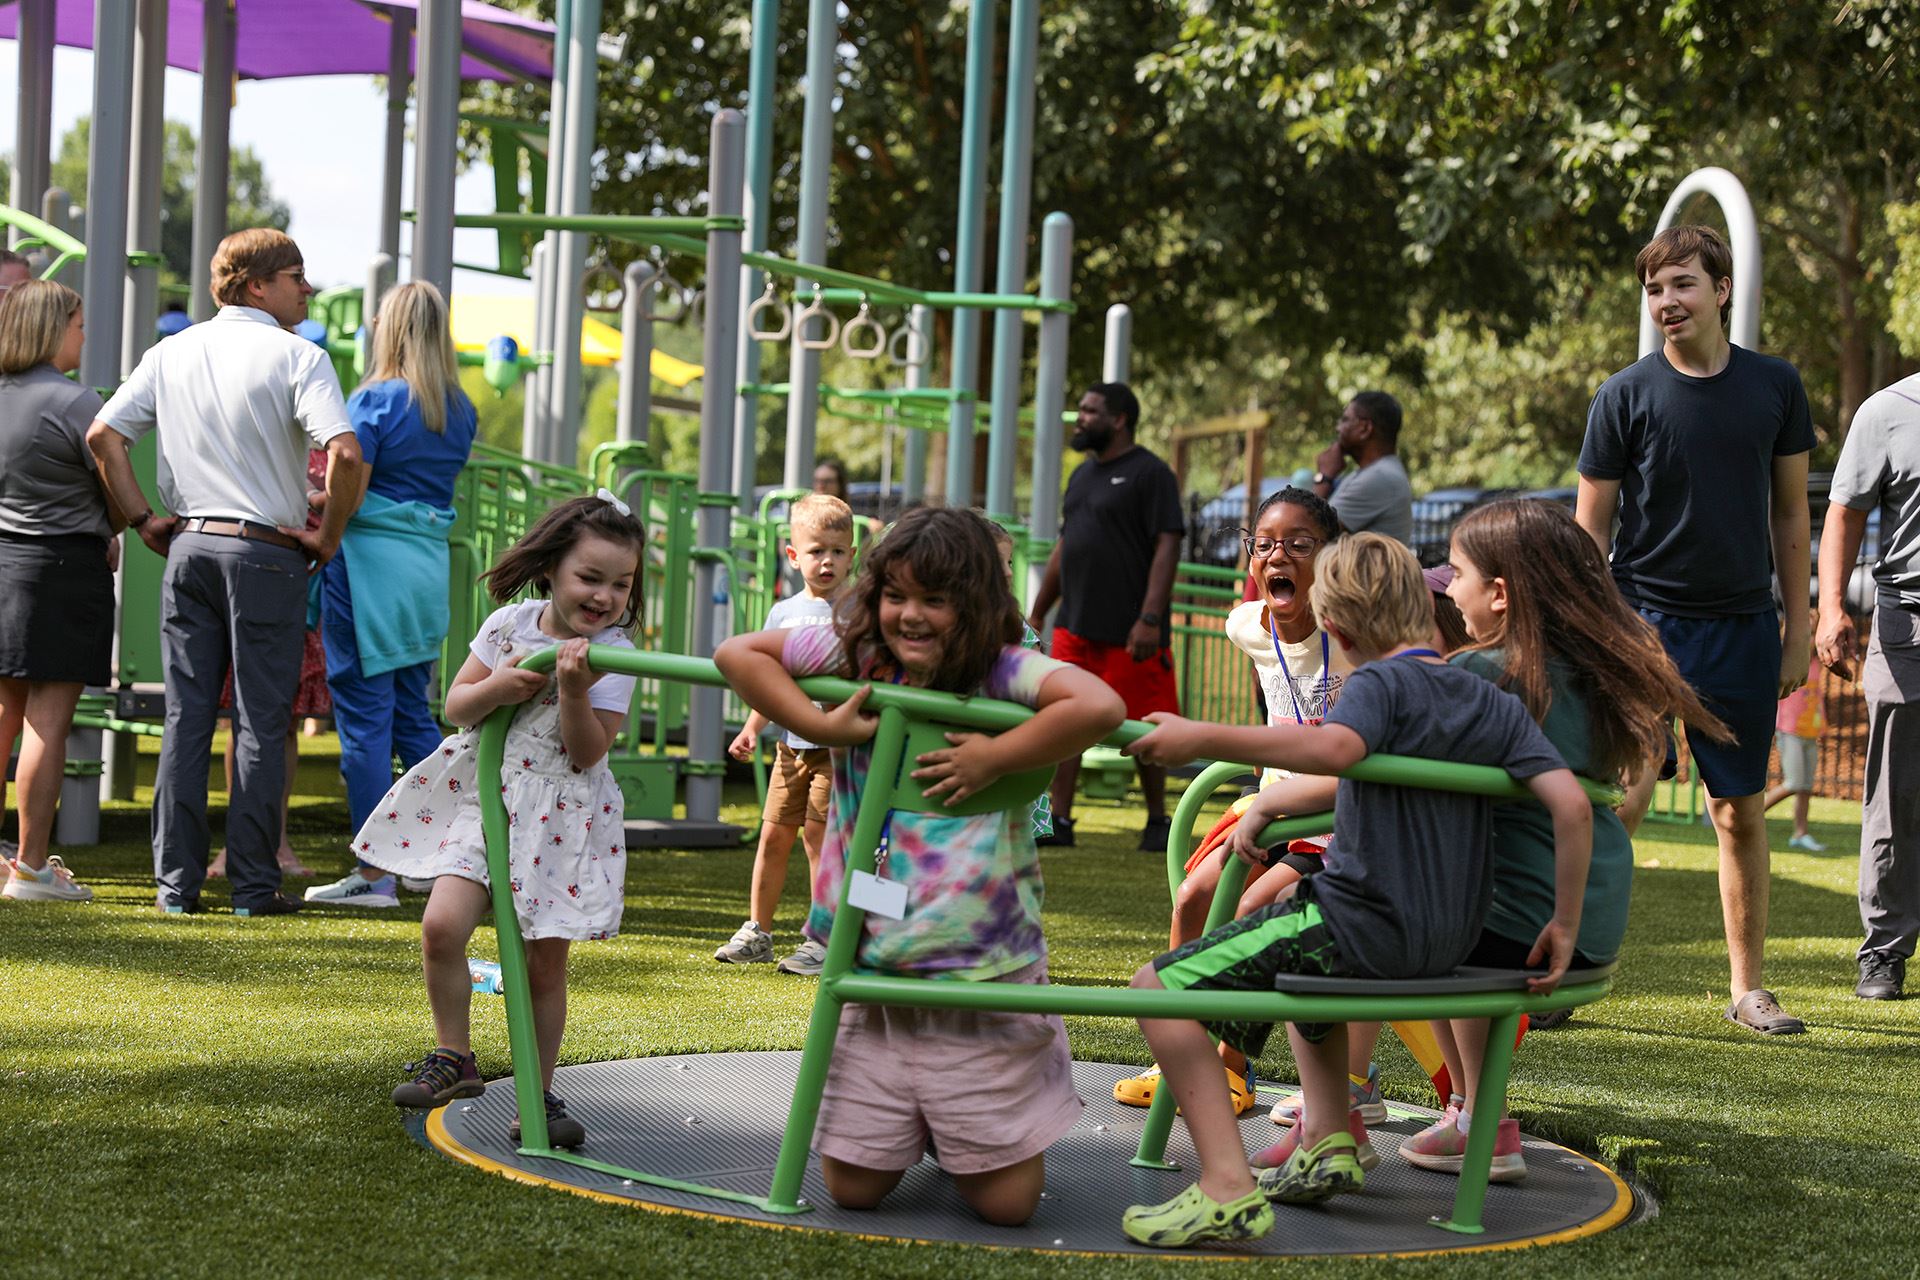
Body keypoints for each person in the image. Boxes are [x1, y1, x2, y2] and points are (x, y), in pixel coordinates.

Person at [1117, 534, 1588, 1247]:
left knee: (1156, 987)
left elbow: (1337, 750)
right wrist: (1564, 922)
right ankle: (1328, 1140)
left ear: (1331, 625)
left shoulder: (1374, 687)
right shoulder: (1485, 696)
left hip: (1359, 927)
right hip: (1447, 941)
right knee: (1306, 974)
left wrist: (1200, 737)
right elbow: (1573, 806)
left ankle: (1224, 1186)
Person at [714, 507, 1125, 1226]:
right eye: (897, 595)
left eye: (936, 600)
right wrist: (817, 725)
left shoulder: (1002, 669)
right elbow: (737, 654)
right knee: (853, 1189)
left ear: (975, 606)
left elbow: (1102, 703)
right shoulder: (857, 655)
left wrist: (994, 755)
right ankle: (921, 1120)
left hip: (981, 973)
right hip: (872, 961)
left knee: (1006, 1206)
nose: (912, 616)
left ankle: (958, 1126)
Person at [1390, 500, 1728, 1183]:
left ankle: (1360, 1111)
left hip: (1526, 930)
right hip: (1590, 921)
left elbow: (1376, 753)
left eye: (1456, 574)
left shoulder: (1485, 676)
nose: (1448, 590)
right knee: (1451, 922)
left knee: (1369, 925)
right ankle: (1469, 1112)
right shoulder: (1604, 676)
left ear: (1501, 594)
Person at [1575, 223, 1815, 1035]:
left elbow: (1791, 514)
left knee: (1737, 811)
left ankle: (1748, 990)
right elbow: (1587, 533)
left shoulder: (1776, 387)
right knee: (1623, 798)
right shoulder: (1623, 395)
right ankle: (1560, 970)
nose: (1666, 301)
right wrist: (1592, 632)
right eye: (1654, 288)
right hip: (1640, 625)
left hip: (1744, 628)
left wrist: (1797, 628)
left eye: (1681, 284)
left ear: (1720, 290)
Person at [87, 229, 363, 917]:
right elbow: (348, 457)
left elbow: (104, 436)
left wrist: (141, 517)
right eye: (297, 275)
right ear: (257, 285)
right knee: (261, 724)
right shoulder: (301, 356)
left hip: (188, 548)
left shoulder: (170, 351)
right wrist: (326, 538)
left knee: (185, 720)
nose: (307, 288)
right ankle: (251, 886)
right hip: (267, 552)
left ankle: (174, 887)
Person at [372, 495, 644, 1147]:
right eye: (591, 577)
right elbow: (458, 705)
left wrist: (574, 690)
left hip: (558, 813)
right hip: (487, 798)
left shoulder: (615, 654)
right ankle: (455, 1056)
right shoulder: (508, 626)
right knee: (441, 927)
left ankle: (537, 1090)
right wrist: (496, 686)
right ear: (551, 568)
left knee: (541, 965)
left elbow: (587, 752)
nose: (605, 595)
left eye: (621, 583)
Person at [1112, 487, 1345, 1115]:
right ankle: (1179, 1063)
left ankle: (1230, 1069)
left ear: (1330, 558)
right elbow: (1273, 705)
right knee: (1192, 898)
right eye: (1266, 545)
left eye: (1300, 545)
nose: (1280, 556)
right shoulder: (1247, 625)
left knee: (1248, 910)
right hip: (1271, 805)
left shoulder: (1349, 635)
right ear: (1249, 560)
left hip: (1332, 820)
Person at [304, 281, 478, 909]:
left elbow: (350, 486)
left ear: (390, 328)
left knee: (364, 723)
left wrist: (314, 502)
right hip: (425, 570)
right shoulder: (459, 408)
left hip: (368, 571)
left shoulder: (374, 402)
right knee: (413, 714)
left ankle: (375, 875)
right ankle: (438, 861)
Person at [1027, 381, 1184, 851]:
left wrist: (1151, 618)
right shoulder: (1082, 476)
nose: (1080, 417)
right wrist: (1039, 611)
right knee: (1064, 717)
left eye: (1090, 410)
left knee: (1146, 726)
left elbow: (1168, 542)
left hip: (1131, 629)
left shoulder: (1150, 473)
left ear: (1118, 419)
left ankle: (1158, 820)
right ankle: (1060, 819)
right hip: (1076, 626)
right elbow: (1066, 545)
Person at [0, 280, 112, 902]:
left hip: (3, 561)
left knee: (4, 713)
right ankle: (33, 867)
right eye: (78, 322)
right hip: (62, 567)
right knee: (47, 720)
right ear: (54, 329)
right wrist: (127, 521)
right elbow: (113, 485)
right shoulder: (76, 404)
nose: (84, 333)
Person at [716, 492, 855, 972]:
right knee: (773, 835)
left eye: (838, 551)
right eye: (817, 551)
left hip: (835, 749)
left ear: (852, 555)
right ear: (794, 556)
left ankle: (824, 938)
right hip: (791, 747)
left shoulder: (857, 612)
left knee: (818, 840)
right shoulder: (782, 613)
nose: (827, 561)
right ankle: (759, 931)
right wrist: (752, 726)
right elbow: (770, 681)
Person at [1816, 371, 1920, 1001]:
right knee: (1895, 794)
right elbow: (1845, 513)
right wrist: (1832, 609)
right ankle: (1884, 950)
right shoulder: (1887, 410)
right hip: (1908, 625)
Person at [1310, 392, 1413, 543]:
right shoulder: (1370, 472)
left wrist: (1324, 476)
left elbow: (1307, 530)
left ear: (1365, 429)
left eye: (1345, 420)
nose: (1338, 428)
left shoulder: (1379, 478)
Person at [1763, 644, 1826, 854]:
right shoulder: (1785, 661)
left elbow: (1817, 694)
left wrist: (1822, 721)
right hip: (1789, 730)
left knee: (1805, 787)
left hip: (1810, 731)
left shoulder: (1816, 662)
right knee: (1794, 782)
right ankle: (1750, 815)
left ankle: (1800, 834)